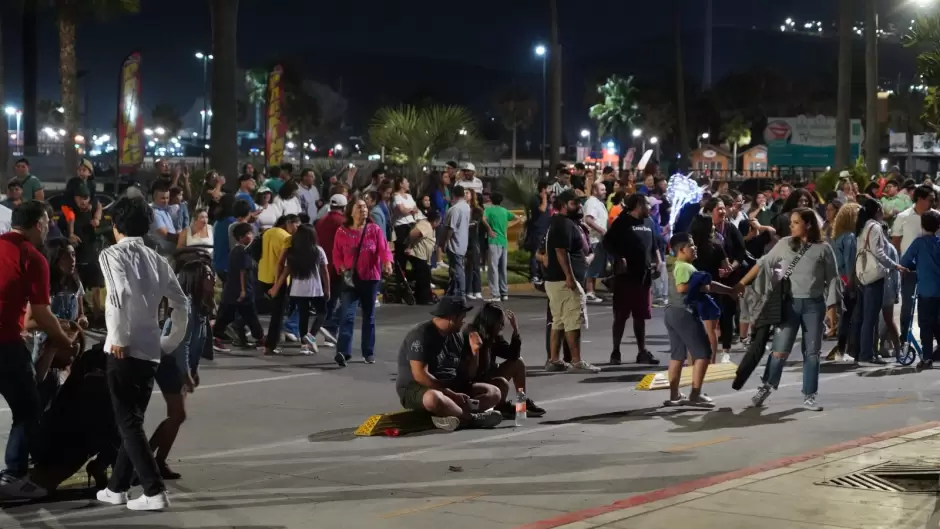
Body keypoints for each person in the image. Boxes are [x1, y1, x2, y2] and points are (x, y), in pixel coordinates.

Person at [95, 195, 189, 511]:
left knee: (128, 422)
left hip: (124, 350)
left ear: (115, 224)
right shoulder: (157, 259)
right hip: (151, 351)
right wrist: (169, 342)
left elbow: (118, 293)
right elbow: (181, 303)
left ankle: (153, 490)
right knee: (132, 421)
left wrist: (119, 337)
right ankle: (116, 487)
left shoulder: (111, 254)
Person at [0, 201, 79, 498]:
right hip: (5, 343)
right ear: (37, 224)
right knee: (29, 408)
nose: (48, 227)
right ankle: (14, 476)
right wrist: (64, 339)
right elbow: (43, 313)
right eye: (46, 221)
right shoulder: (32, 257)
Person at [739, 208, 841, 412]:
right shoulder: (784, 244)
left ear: (809, 224)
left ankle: (810, 395)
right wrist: (741, 283)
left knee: (812, 353)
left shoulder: (823, 249)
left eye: (796, 222)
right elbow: (763, 263)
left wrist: (832, 308)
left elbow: (832, 279)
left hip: (814, 306)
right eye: (791, 222)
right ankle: (767, 386)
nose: (791, 226)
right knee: (779, 350)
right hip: (789, 305)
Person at [396, 297, 503, 431]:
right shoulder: (421, 335)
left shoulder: (456, 336)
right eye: (462, 317)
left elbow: (468, 375)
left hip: (450, 388)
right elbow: (420, 375)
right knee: (433, 398)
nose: (464, 321)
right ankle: (471, 419)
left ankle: (452, 414)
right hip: (419, 388)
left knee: (494, 392)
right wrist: (451, 394)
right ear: (452, 317)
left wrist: (475, 352)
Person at [150, 258, 214, 480]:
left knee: (176, 416)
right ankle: (146, 459)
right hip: (168, 364)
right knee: (178, 414)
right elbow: (181, 345)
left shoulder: (200, 307)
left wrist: (193, 370)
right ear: (193, 279)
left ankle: (155, 460)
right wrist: (186, 373)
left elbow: (198, 343)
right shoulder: (185, 306)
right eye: (206, 275)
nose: (212, 278)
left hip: (179, 365)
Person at [663, 233, 735, 408]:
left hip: (671, 312)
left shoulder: (679, 266)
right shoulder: (685, 268)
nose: (695, 248)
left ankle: (674, 396)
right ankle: (695, 394)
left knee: (677, 355)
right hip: (684, 313)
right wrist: (699, 285)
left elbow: (708, 287)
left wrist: (729, 290)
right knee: (703, 353)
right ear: (681, 249)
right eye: (691, 245)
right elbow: (682, 288)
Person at [544, 190, 601, 374]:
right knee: (573, 320)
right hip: (564, 281)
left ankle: (554, 360)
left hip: (556, 280)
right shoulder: (564, 223)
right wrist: (569, 276)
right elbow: (561, 251)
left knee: (558, 321)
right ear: (562, 205)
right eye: (573, 203)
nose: (579, 206)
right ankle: (576, 361)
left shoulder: (559, 223)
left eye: (578, 203)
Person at [332, 199, 393, 366]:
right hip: (350, 281)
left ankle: (368, 352)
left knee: (369, 316)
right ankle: (343, 352)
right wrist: (341, 266)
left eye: (365, 207)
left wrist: (387, 262)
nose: (363, 210)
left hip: (371, 278)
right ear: (351, 211)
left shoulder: (374, 230)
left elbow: (383, 249)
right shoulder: (341, 232)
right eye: (359, 207)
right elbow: (336, 254)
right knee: (347, 316)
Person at [604, 193, 660, 365]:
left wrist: (659, 261)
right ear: (637, 205)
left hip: (644, 277)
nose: (650, 208)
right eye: (646, 204)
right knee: (620, 316)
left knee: (641, 317)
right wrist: (618, 258)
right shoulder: (621, 223)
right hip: (625, 278)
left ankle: (642, 352)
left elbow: (654, 245)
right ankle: (615, 352)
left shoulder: (649, 222)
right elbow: (607, 243)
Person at [464, 303, 546, 418]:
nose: (502, 326)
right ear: (491, 322)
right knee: (502, 382)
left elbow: (512, 355)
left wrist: (516, 330)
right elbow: (475, 370)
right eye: (500, 323)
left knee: (518, 362)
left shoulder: (494, 337)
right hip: (474, 382)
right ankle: (501, 407)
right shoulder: (472, 335)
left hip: (487, 375)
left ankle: (522, 403)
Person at [853, 198, 907, 365]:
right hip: (874, 276)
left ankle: (865, 352)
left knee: (867, 316)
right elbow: (879, 252)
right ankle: (868, 354)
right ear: (877, 211)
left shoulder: (864, 226)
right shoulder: (875, 227)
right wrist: (894, 265)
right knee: (871, 318)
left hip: (863, 275)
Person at [267, 225, 331, 355]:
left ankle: (304, 346)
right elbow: (325, 273)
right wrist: (327, 289)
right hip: (315, 289)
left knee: (303, 316)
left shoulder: (293, 253)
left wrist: (276, 287)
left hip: (297, 290)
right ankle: (311, 335)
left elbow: (286, 272)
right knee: (322, 312)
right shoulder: (318, 251)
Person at [892, 185, 937, 350]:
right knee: (907, 308)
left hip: (931, 272)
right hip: (909, 271)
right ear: (920, 199)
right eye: (930, 199)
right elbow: (896, 243)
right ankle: (905, 340)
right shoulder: (903, 217)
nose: (933, 202)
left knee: (932, 308)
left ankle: (932, 342)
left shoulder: (936, 217)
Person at [212, 223, 266, 349]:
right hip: (240, 290)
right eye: (248, 233)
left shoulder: (235, 250)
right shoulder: (243, 251)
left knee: (234, 316)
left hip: (232, 290)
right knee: (246, 316)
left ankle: (257, 338)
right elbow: (243, 271)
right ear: (241, 237)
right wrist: (243, 290)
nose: (251, 235)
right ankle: (260, 338)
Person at [900, 210, 940, 369]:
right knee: (937, 322)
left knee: (925, 324)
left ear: (922, 225)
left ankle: (927, 357)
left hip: (925, 291)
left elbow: (905, 261)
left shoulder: (919, 243)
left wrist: (916, 266)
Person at [260, 214, 302, 356]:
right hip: (277, 279)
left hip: (263, 275)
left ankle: (268, 340)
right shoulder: (287, 238)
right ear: (289, 223)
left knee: (271, 311)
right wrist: (277, 284)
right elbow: (283, 264)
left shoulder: (268, 232)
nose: (297, 229)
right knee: (277, 315)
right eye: (297, 225)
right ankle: (270, 345)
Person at [828, 203, 860, 361]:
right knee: (852, 316)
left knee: (845, 316)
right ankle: (849, 349)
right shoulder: (850, 237)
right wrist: (852, 284)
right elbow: (850, 262)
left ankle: (841, 349)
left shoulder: (837, 237)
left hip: (839, 279)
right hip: (848, 279)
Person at [316, 195, 347, 346]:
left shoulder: (320, 222)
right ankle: (330, 328)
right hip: (338, 266)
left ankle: (325, 327)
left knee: (326, 299)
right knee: (347, 300)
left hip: (322, 266)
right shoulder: (343, 223)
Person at [482, 192, 518, 302]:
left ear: (491, 200)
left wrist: (489, 229)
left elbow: (483, 219)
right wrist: (508, 225)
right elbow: (517, 218)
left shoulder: (488, 209)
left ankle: (495, 294)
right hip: (504, 241)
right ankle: (504, 292)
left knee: (493, 268)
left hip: (494, 240)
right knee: (502, 268)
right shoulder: (504, 211)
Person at [442, 185, 471, 298]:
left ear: (453, 194)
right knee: (455, 267)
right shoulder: (466, 207)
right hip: (463, 241)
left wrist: (445, 242)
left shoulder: (454, 209)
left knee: (457, 268)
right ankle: (454, 290)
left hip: (455, 243)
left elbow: (451, 228)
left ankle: (460, 292)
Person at [582, 182, 609, 303]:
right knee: (592, 266)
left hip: (599, 240)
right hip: (594, 239)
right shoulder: (592, 202)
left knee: (596, 266)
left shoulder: (598, 203)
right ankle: (589, 292)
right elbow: (588, 219)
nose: (605, 191)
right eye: (602, 190)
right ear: (594, 190)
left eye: (605, 190)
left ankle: (591, 291)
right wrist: (602, 231)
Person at [408, 210, 440, 305]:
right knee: (424, 277)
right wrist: (409, 246)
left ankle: (421, 297)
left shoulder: (429, 226)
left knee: (424, 276)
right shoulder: (425, 225)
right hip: (418, 254)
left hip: (424, 256)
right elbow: (413, 234)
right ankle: (424, 299)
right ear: (434, 221)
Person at [391, 175, 419, 281]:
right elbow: (401, 210)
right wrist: (410, 209)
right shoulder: (396, 196)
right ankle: (400, 277)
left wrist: (410, 209)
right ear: (401, 184)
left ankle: (411, 276)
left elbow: (415, 209)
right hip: (401, 226)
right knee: (402, 251)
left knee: (413, 251)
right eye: (406, 182)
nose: (408, 183)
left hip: (411, 224)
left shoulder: (409, 196)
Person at [525, 181, 552, 285]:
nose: (550, 190)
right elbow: (542, 209)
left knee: (543, 253)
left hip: (545, 229)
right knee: (535, 253)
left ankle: (541, 274)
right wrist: (544, 198)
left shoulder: (546, 200)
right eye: (548, 188)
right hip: (537, 230)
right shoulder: (535, 199)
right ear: (543, 189)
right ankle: (534, 275)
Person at [149, 181, 178, 256]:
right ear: (154, 198)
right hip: (162, 254)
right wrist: (183, 238)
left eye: (167, 198)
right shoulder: (154, 212)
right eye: (162, 198)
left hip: (170, 252)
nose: (166, 201)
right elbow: (164, 234)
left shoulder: (164, 209)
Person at [465, 191, 485, 300]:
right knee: (467, 266)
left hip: (474, 239)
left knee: (475, 265)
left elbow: (476, 223)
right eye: (464, 193)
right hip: (464, 239)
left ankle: (477, 290)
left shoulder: (477, 210)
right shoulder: (461, 208)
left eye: (467, 193)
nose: (465, 195)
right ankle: (468, 290)